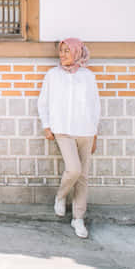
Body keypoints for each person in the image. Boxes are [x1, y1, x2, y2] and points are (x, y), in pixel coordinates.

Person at [38, 37, 101, 239]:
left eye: (67, 50)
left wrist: (95, 133)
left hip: (86, 131)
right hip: (62, 130)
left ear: (77, 52)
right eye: (61, 50)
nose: (63, 54)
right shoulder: (52, 75)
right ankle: (60, 196)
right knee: (73, 169)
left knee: (83, 177)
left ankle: (78, 218)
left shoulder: (88, 76)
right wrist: (46, 125)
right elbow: (43, 102)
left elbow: (95, 106)